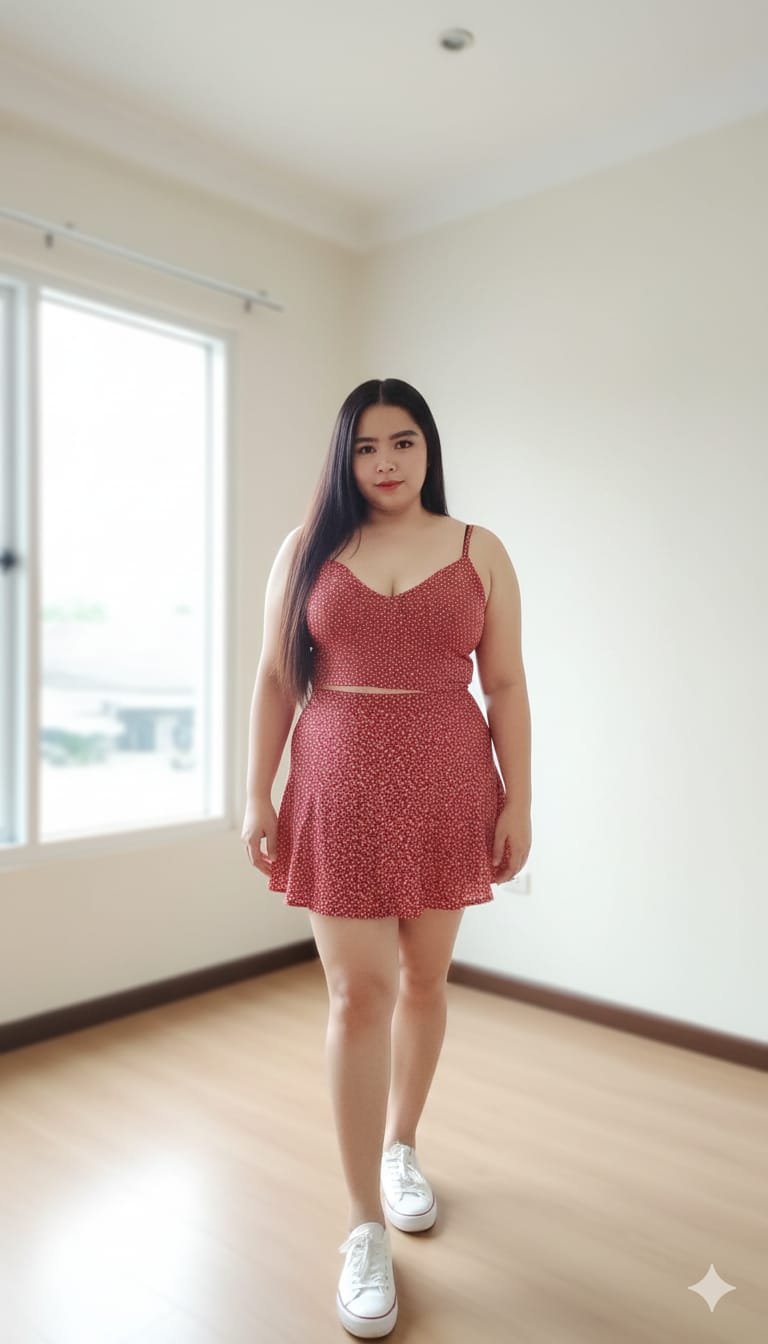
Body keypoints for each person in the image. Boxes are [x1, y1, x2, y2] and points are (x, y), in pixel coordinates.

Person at [241, 377, 532, 1338]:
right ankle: (363, 1222)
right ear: (345, 457)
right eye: (366, 446)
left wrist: (521, 798)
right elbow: (275, 677)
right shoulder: (308, 549)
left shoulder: (479, 549)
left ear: (427, 448)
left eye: (403, 441)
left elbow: (507, 684)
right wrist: (256, 792)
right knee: (356, 995)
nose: (386, 462)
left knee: (423, 980)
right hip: (338, 779)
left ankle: (402, 1146)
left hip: (450, 780)